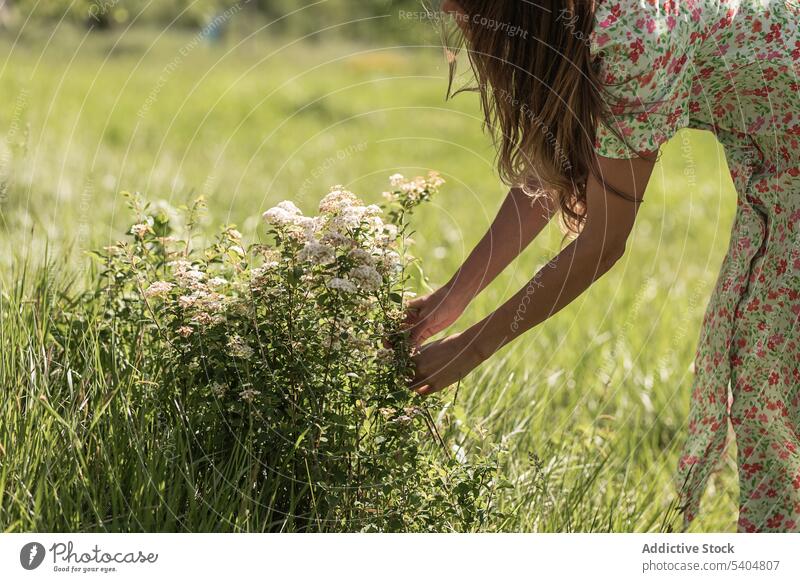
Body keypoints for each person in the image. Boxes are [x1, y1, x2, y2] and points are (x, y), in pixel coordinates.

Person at [405, 0, 800, 533]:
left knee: (765, 387)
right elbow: (553, 171)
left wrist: (470, 350)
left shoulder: (632, 37)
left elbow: (602, 244)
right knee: (765, 381)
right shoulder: (575, 23)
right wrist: (453, 298)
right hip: (778, 164)